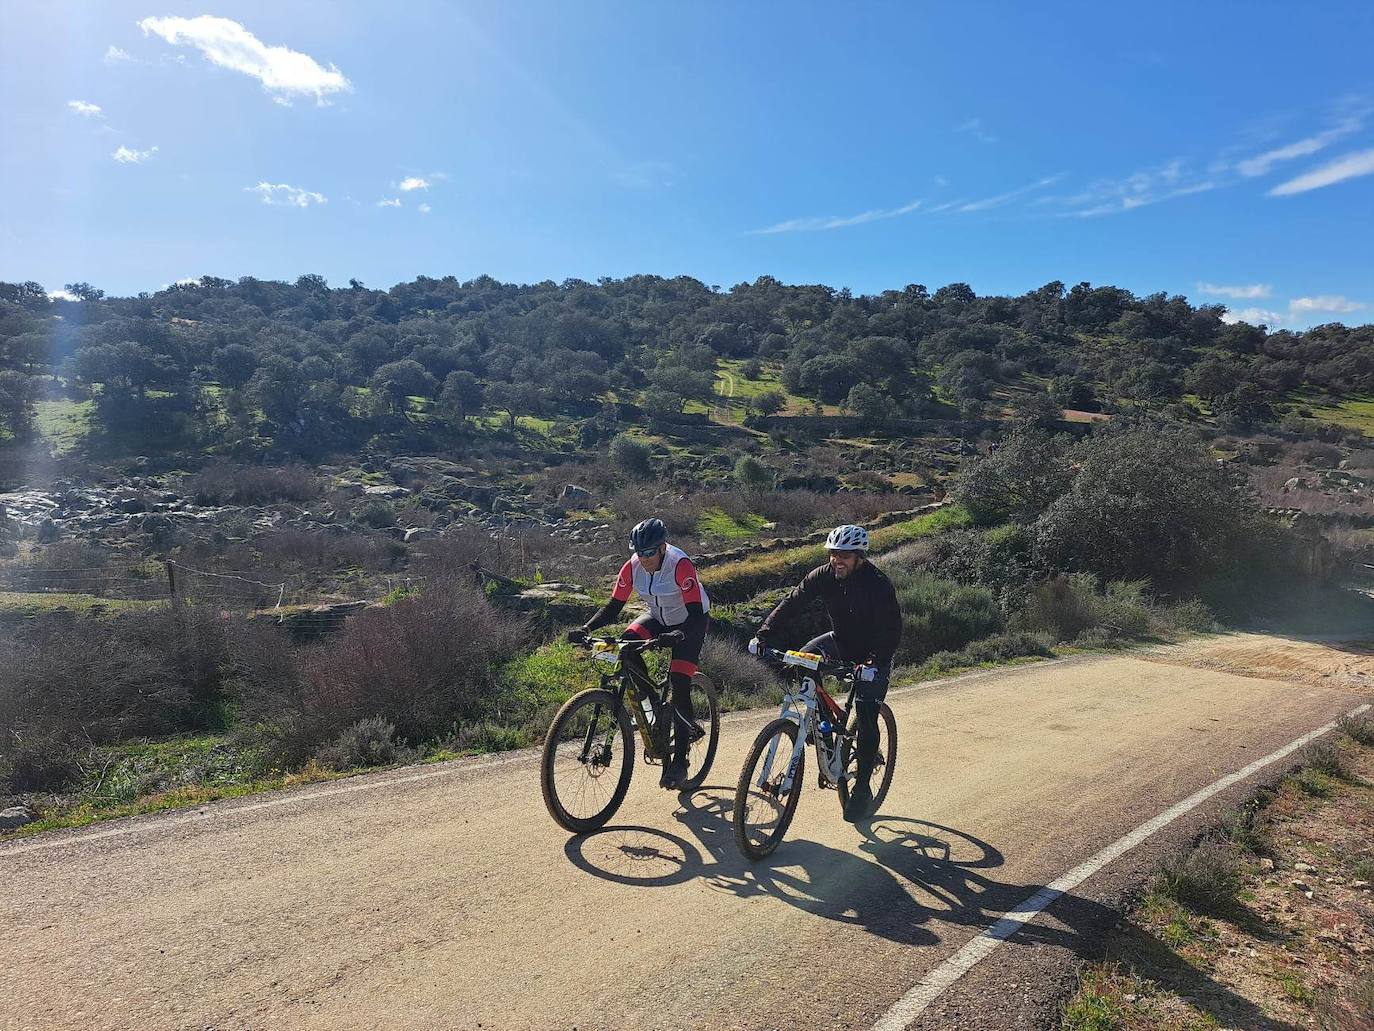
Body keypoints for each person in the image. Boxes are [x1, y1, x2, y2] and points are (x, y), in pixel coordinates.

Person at [749, 524, 900, 822]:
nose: (836, 560)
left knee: (866, 713)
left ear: (859, 557)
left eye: (844, 555)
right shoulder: (823, 576)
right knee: (802, 662)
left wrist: (873, 662)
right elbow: (792, 601)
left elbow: (891, 630)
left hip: (873, 655)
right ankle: (824, 731)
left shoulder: (878, 584)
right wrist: (764, 635)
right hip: (840, 642)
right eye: (833, 554)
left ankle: (862, 788)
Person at [569, 518, 710, 789]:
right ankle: (655, 704)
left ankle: (680, 762)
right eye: (638, 552)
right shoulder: (632, 566)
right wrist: (586, 628)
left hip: (689, 622)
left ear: (662, 548)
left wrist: (678, 635)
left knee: (680, 682)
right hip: (657, 617)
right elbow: (614, 606)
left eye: (649, 553)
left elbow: (694, 614)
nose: (643, 558)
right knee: (625, 648)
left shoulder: (680, 565)